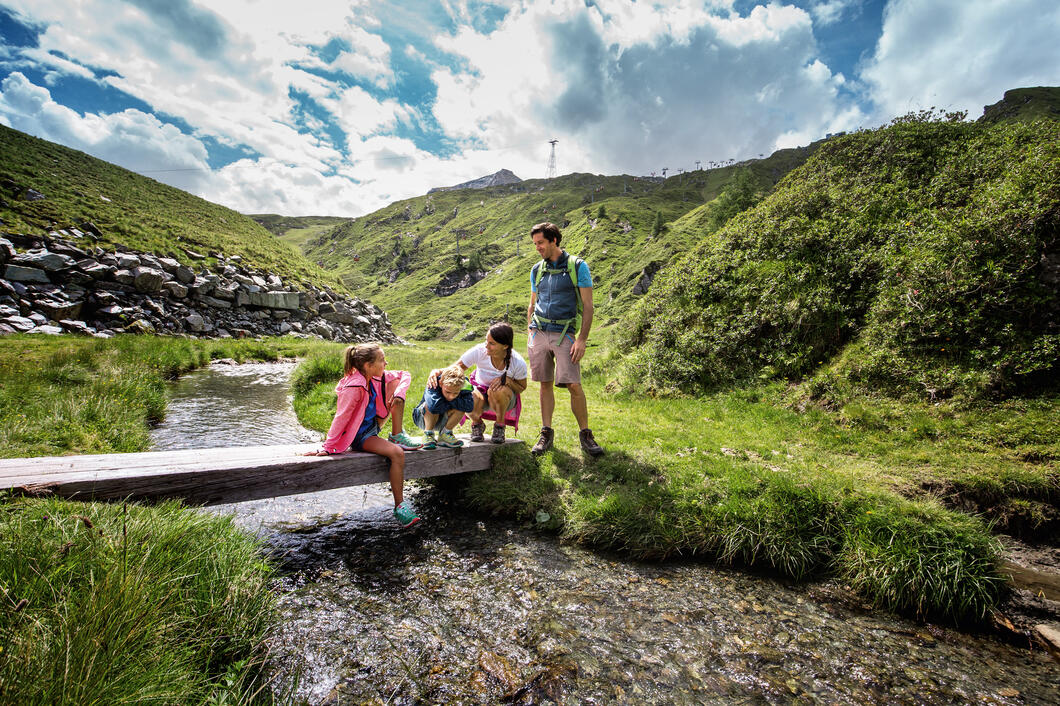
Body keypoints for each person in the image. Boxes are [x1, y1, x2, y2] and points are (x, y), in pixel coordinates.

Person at [304, 343, 420, 527]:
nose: (386, 363)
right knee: (397, 453)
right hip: (361, 435)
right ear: (367, 365)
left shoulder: (373, 377)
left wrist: (398, 394)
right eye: (382, 360)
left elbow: (404, 375)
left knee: (395, 382)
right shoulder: (355, 386)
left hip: (373, 425)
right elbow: (341, 417)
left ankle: (397, 434)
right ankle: (400, 506)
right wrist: (328, 447)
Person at [527, 221, 604, 457]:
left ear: (554, 241)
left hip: (565, 334)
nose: (537, 248)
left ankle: (586, 435)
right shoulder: (536, 269)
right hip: (539, 331)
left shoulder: (577, 266)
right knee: (544, 383)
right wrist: (529, 331)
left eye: (541, 243)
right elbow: (532, 303)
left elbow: (589, 307)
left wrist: (581, 340)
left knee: (573, 384)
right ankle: (546, 433)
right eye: (535, 244)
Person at [426, 322, 528, 444]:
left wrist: (508, 381)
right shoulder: (479, 351)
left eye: (492, 343)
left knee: (496, 390)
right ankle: (477, 423)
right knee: (468, 396)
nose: (486, 346)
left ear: (505, 346)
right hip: (480, 392)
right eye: (486, 341)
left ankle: (500, 426)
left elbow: (521, 387)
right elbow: (456, 368)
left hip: (503, 398)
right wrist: (437, 371)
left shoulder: (517, 362)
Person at [412, 363, 472, 449]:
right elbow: (434, 407)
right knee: (430, 405)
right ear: (441, 383)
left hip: (442, 417)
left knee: (462, 408)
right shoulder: (433, 382)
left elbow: (469, 407)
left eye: (456, 393)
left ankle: (445, 434)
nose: (451, 396)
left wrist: (446, 401)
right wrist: (457, 401)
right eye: (447, 392)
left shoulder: (464, 385)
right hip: (423, 418)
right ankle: (428, 434)